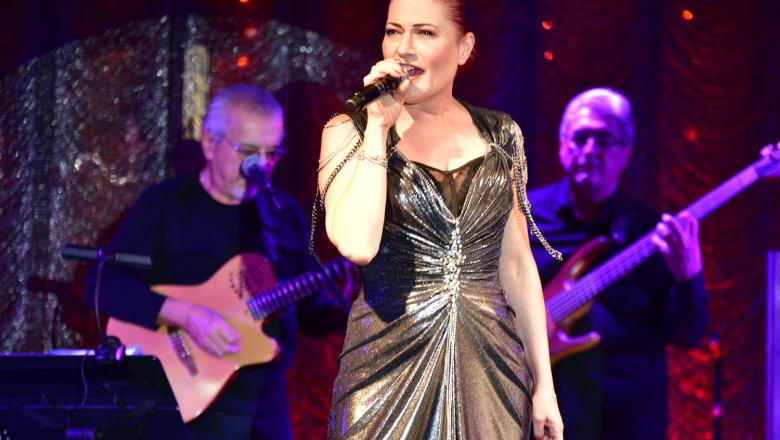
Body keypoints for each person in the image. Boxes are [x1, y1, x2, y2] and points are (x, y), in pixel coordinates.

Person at [314, 0, 563, 438]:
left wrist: (544, 384)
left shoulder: (500, 135)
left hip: (490, 370)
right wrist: (378, 129)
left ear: (464, 48)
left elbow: (516, 266)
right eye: (394, 31)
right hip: (384, 372)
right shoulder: (348, 130)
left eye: (425, 33)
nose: (404, 48)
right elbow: (357, 244)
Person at [86, 83, 348, 440]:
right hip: (185, 404)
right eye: (249, 153)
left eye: (272, 153)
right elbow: (103, 287)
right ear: (209, 143)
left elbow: (310, 313)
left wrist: (345, 297)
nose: (261, 167)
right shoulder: (164, 206)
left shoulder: (282, 214)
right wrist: (186, 315)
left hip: (264, 406)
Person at [528, 87, 709, 439]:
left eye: (604, 140)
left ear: (626, 154)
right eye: (580, 137)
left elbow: (687, 335)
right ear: (562, 146)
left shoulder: (651, 234)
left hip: (627, 421)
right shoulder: (523, 218)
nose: (590, 150)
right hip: (540, 414)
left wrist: (689, 276)